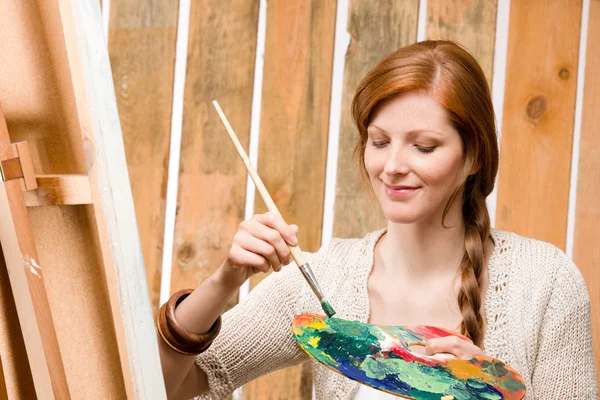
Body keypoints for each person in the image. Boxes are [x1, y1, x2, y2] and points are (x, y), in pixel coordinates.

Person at [156, 40, 598, 399]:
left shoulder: (546, 282)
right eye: (379, 141)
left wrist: (490, 394)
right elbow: (164, 386)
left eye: (424, 147)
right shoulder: (322, 279)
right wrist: (224, 282)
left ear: (474, 156)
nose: (392, 167)